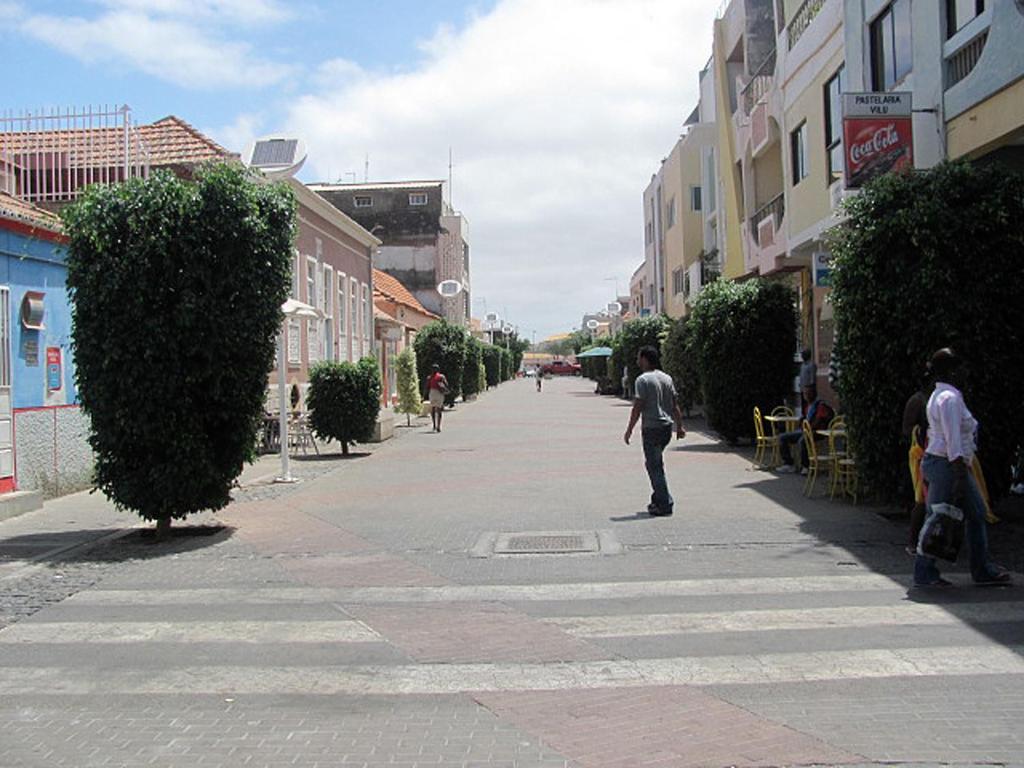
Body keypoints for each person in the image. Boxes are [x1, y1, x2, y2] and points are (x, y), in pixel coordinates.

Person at [913, 348, 1010, 588]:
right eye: (961, 368)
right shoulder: (950, 399)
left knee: (971, 514)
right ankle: (927, 571)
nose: (965, 372)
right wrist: (959, 475)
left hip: (943, 462)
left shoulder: (940, 395)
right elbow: (952, 439)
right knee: (940, 517)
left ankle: (979, 569)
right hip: (949, 464)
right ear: (952, 371)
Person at [623, 346, 685, 516]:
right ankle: (657, 500)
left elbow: (638, 407)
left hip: (651, 428)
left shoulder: (642, 380)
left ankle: (664, 504)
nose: (637, 361)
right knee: (655, 464)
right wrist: (679, 426)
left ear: (644, 359)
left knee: (654, 467)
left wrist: (629, 429)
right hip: (666, 428)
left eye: (638, 358)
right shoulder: (666, 378)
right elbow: (674, 405)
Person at [902, 377, 933, 554]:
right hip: (922, 453)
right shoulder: (918, 400)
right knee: (921, 500)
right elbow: (907, 428)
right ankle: (913, 543)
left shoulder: (936, 398)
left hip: (933, 452)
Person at [775, 397, 834, 473]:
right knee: (782, 437)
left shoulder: (820, 406)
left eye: (807, 392)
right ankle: (789, 464)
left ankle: (806, 466)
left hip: (816, 432)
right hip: (804, 430)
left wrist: (809, 428)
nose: (806, 396)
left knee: (802, 440)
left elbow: (819, 421)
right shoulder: (808, 406)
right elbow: (805, 417)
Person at [426, 364, 449, 433]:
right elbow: (446, 384)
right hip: (438, 393)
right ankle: (437, 425)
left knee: (435, 409)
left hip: (433, 392)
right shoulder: (440, 376)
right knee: (437, 409)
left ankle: (436, 425)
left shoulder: (430, 377)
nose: (434, 370)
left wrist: (424, 395)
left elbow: (427, 387)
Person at [799, 348, 817, 416]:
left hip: (809, 390)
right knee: (803, 408)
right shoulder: (802, 365)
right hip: (802, 390)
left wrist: (811, 388)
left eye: (803, 355)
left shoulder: (811, 365)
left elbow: (813, 378)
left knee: (810, 407)